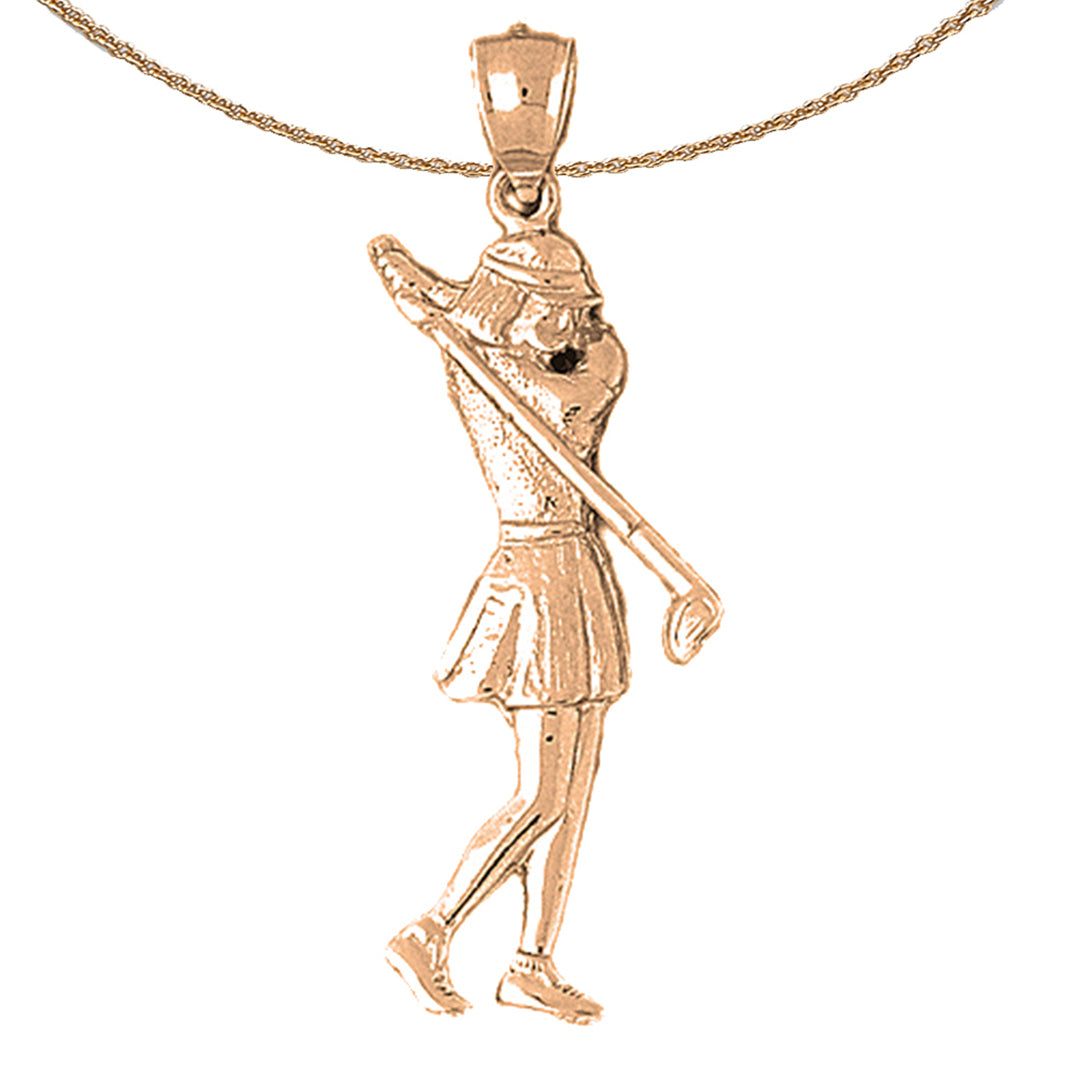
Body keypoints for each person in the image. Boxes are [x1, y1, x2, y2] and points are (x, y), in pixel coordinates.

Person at [369, 223, 630, 1024]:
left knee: (574, 791)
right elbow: (443, 305)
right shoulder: (476, 362)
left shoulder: (574, 362)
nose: (572, 321)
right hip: (533, 572)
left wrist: (438, 301)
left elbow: (592, 374)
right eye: (554, 306)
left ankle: (531, 962)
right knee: (541, 793)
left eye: (576, 306)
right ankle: (430, 929)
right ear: (510, 305)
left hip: (582, 563)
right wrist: (429, 296)